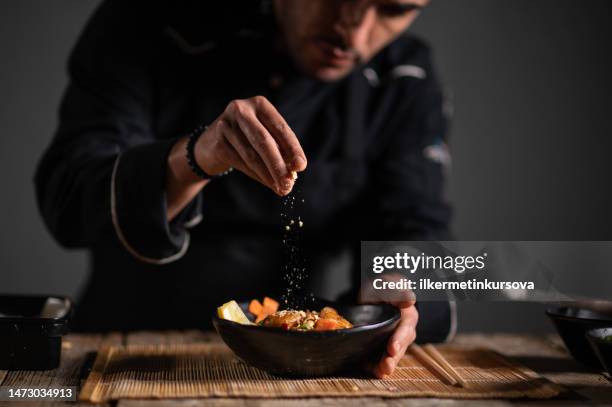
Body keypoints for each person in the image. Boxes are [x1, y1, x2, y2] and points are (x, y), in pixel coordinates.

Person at [35, 0, 453, 378]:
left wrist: (403, 286)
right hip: (125, 352)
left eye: (393, 9)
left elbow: (427, 232)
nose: (354, 31)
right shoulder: (146, 21)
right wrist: (194, 158)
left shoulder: (405, 74)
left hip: (301, 366)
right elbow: (67, 203)